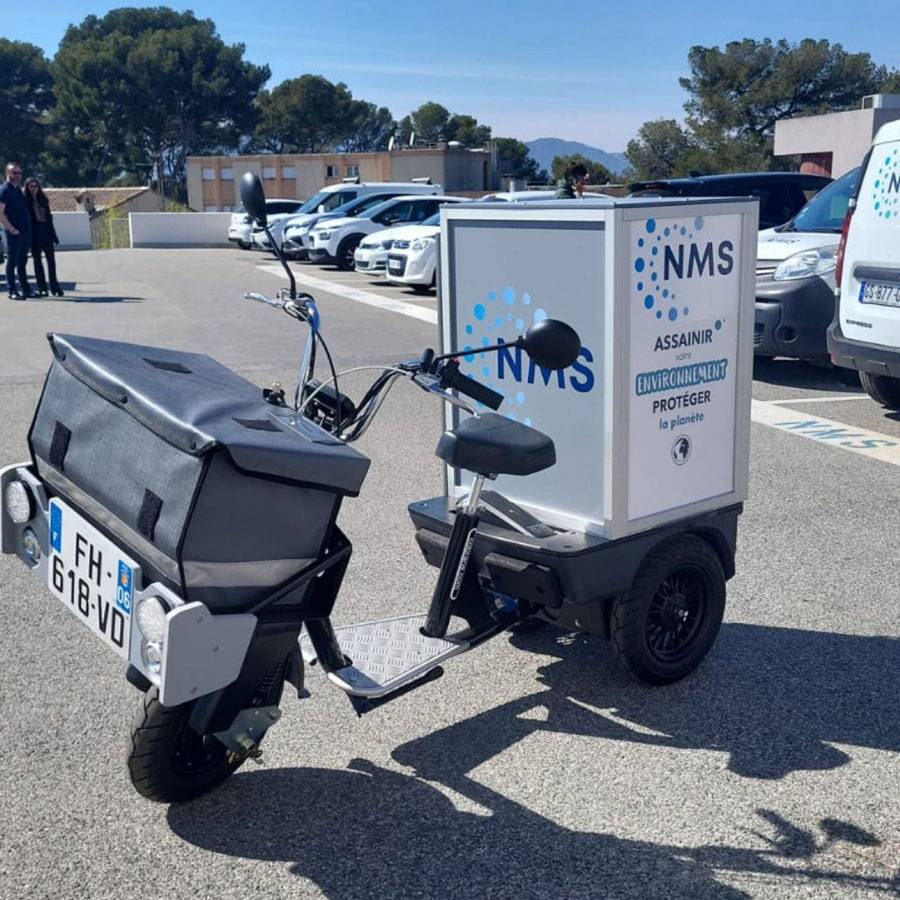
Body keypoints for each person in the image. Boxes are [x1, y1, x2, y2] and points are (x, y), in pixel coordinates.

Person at [25, 177, 63, 297]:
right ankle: (42, 288)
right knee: (37, 261)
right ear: (27, 187)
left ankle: (55, 287)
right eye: (31, 186)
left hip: (46, 231)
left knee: (51, 261)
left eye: (36, 186)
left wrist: (53, 235)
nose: (34, 188)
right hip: (34, 234)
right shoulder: (25, 200)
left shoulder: (43, 199)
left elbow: (49, 217)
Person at [0, 161, 32, 299]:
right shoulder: (4, 190)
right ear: (7, 173)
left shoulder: (17, 189)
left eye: (19, 172)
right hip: (14, 232)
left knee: (22, 261)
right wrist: (11, 229)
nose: (18, 175)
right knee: (12, 261)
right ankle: (12, 291)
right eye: (14, 172)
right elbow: (0, 213)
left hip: (25, 230)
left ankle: (26, 290)